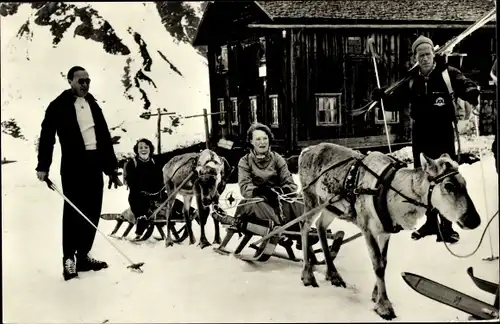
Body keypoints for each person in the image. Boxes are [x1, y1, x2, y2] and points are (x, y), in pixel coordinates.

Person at [372, 35, 480, 243]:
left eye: (428, 54)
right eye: (420, 56)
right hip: (420, 135)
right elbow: (396, 99)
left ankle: (446, 227)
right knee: (424, 180)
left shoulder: (448, 74)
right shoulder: (412, 80)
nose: (425, 59)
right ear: (416, 58)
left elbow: (464, 84)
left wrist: (470, 92)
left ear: (433, 54)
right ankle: (430, 223)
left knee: (446, 180)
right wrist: (382, 97)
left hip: (443, 134)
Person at [36, 66, 123, 281]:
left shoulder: (93, 103)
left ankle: (83, 255)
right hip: (74, 165)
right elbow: (47, 137)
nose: (85, 84)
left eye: (88, 81)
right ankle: (69, 259)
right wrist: (43, 166)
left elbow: (103, 135)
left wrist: (111, 168)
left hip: (95, 163)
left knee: (93, 211)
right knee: (74, 211)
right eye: (81, 81)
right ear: (70, 82)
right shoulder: (58, 106)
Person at [236, 123, 311, 248]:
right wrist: (261, 191)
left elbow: (289, 182)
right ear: (251, 141)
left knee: (299, 198)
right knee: (257, 202)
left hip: (277, 201)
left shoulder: (277, 158)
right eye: (258, 139)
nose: (262, 142)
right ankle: (279, 232)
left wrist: (282, 189)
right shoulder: (245, 161)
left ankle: (303, 229)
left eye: (265, 138)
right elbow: (244, 187)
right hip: (254, 205)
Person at [123, 138, 165, 241]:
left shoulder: (155, 162)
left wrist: (159, 188)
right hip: (138, 194)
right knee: (140, 206)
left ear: (150, 149)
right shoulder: (132, 163)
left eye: (146, 147)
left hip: (155, 193)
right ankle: (141, 225)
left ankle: (191, 212)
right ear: (137, 150)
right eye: (140, 147)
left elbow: (161, 178)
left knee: (169, 199)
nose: (143, 150)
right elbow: (131, 182)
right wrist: (143, 191)